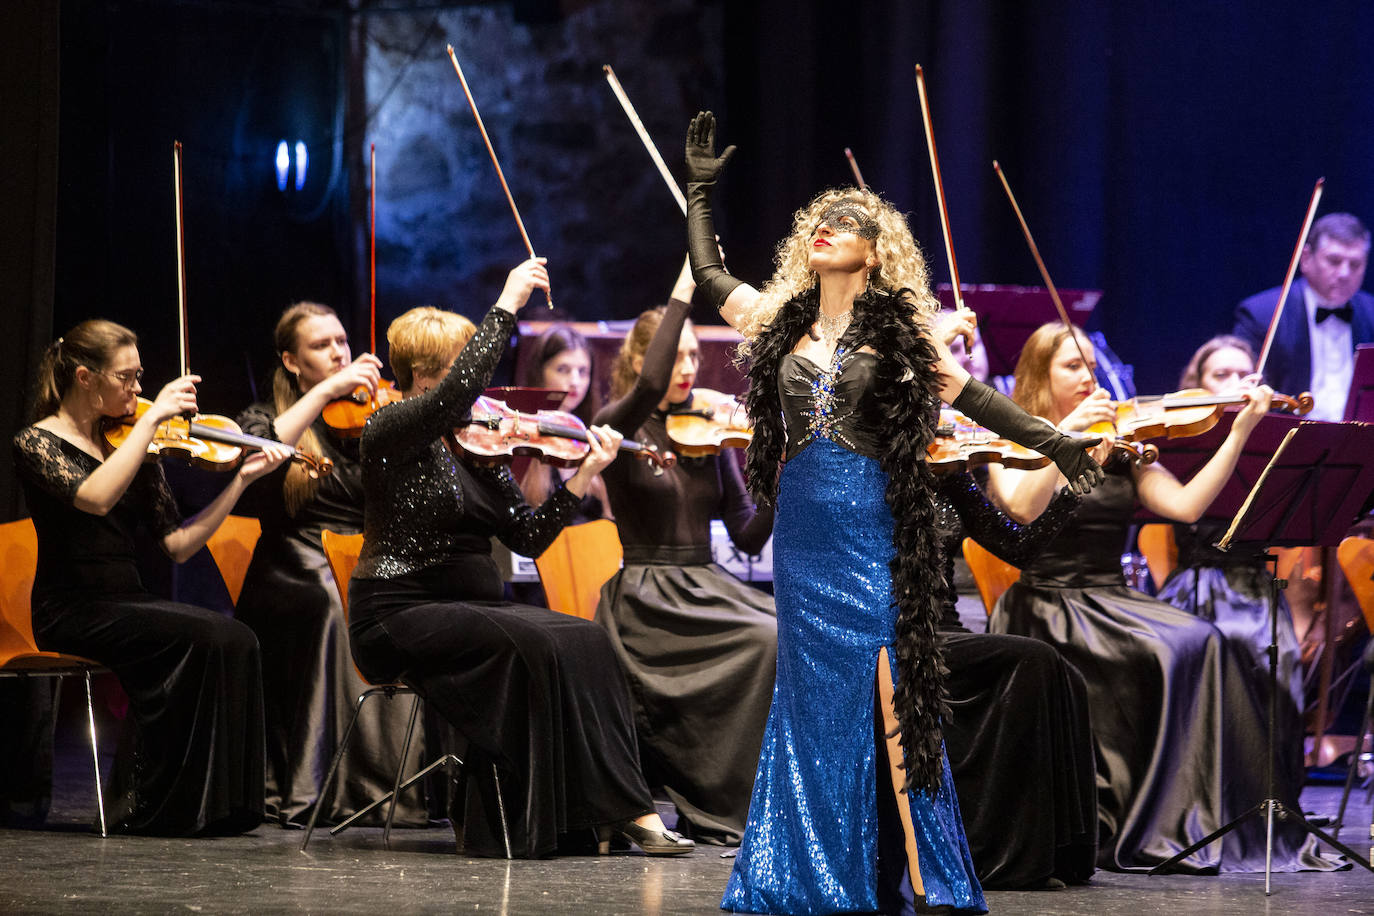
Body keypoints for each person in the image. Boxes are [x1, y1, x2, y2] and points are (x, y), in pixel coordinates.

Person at [683, 111, 1104, 914]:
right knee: (811, 704)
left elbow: (976, 397)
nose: (825, 231)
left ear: (875, 252)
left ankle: (923, 872)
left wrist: (1056, 442)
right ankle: (808, 873)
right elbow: (709, 274)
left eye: (845, 225)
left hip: (871, 531)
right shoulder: (780, 321)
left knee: (892, 694)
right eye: (819, 223)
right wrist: (701, 192)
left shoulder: (904, 331)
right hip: (803, 538)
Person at [345, 259, 693, 859]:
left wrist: (583, 475)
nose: (480, 384)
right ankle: (563, 815)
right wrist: (508, 299)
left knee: (587, 639)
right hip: (397, 613)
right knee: (533, 646)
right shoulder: (389, 431)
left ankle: (619, 810)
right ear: (428, 373)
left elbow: (527, 537)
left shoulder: (480, 442)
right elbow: (458, 393)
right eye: (465, 366)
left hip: (471, 610)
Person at [983, 321, 1336, 873]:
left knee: (1207, 642)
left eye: (1091, 368)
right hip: (1047, 604)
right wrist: (1065, 435)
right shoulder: (1011, 439)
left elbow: (1188, 506)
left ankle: (1192, 822)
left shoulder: (1120, 441)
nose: (1087, 378)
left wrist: (1240, 431)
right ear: (1038, 375)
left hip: (1110, 597)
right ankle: (1143, 816)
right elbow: (1022, 508)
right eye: (1072, 367)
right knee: (1173, 649)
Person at [12, 319, 292, 835]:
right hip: (70, 609)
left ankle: (222, 806)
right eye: (128, 378)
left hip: (126, 601)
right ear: (85, 378)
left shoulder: (134, 441)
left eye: (142, 378)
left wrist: (240, 484)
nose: (140, 390)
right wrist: (151, 421)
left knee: (236, 638)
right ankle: (152, 804)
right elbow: (94, 498)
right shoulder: (36, 443)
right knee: (204, 637)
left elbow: (178, 546)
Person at [593, 271, 777, 847]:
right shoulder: (616, 426)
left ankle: (745, 801)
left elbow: (747, 536)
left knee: (779, 633)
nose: (686, 368)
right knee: (763, 641)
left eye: (695, 356)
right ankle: (715, 796)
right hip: (647, 597)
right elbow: (648, 387)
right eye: (675, 355)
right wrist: (685, 286)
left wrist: (783, 474)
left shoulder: (708, 430)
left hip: (705, 585)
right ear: (645, 360)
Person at [234, 302, 427, 828]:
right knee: (331, 601)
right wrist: (322, 394)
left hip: (365, 560)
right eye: (323, 346)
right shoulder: (263, 416)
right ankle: (321, 783)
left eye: (342, 341)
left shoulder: (372, 417)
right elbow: (260, 452)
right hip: (296, 565)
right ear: (292, 361)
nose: (340, 352)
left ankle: (394, 784)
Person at [1156, 334, 1306, 798]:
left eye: (1244, 375)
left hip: (1257, 586)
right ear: (1196, 386)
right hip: (1197, 583)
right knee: (1209, 648)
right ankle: (1198, 795)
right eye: (1220, 375)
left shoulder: (1276, 443)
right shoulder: (1175, 438)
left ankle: (1269, 798)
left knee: (1280, 655)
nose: (1234, 384)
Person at [1233, 212, 1374, 420]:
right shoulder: (1261, 315)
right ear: (1306, 258)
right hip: (1287, 443)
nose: (1345, 273)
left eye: (1355, 264)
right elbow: (1242, 390)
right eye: (1334, 261)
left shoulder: (1371, 311)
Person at [516, 322, 607, 521]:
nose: (575, 381)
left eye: (583, 372)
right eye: (563, 369)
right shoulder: (519, 434)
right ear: (540, 372)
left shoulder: (592, 432)